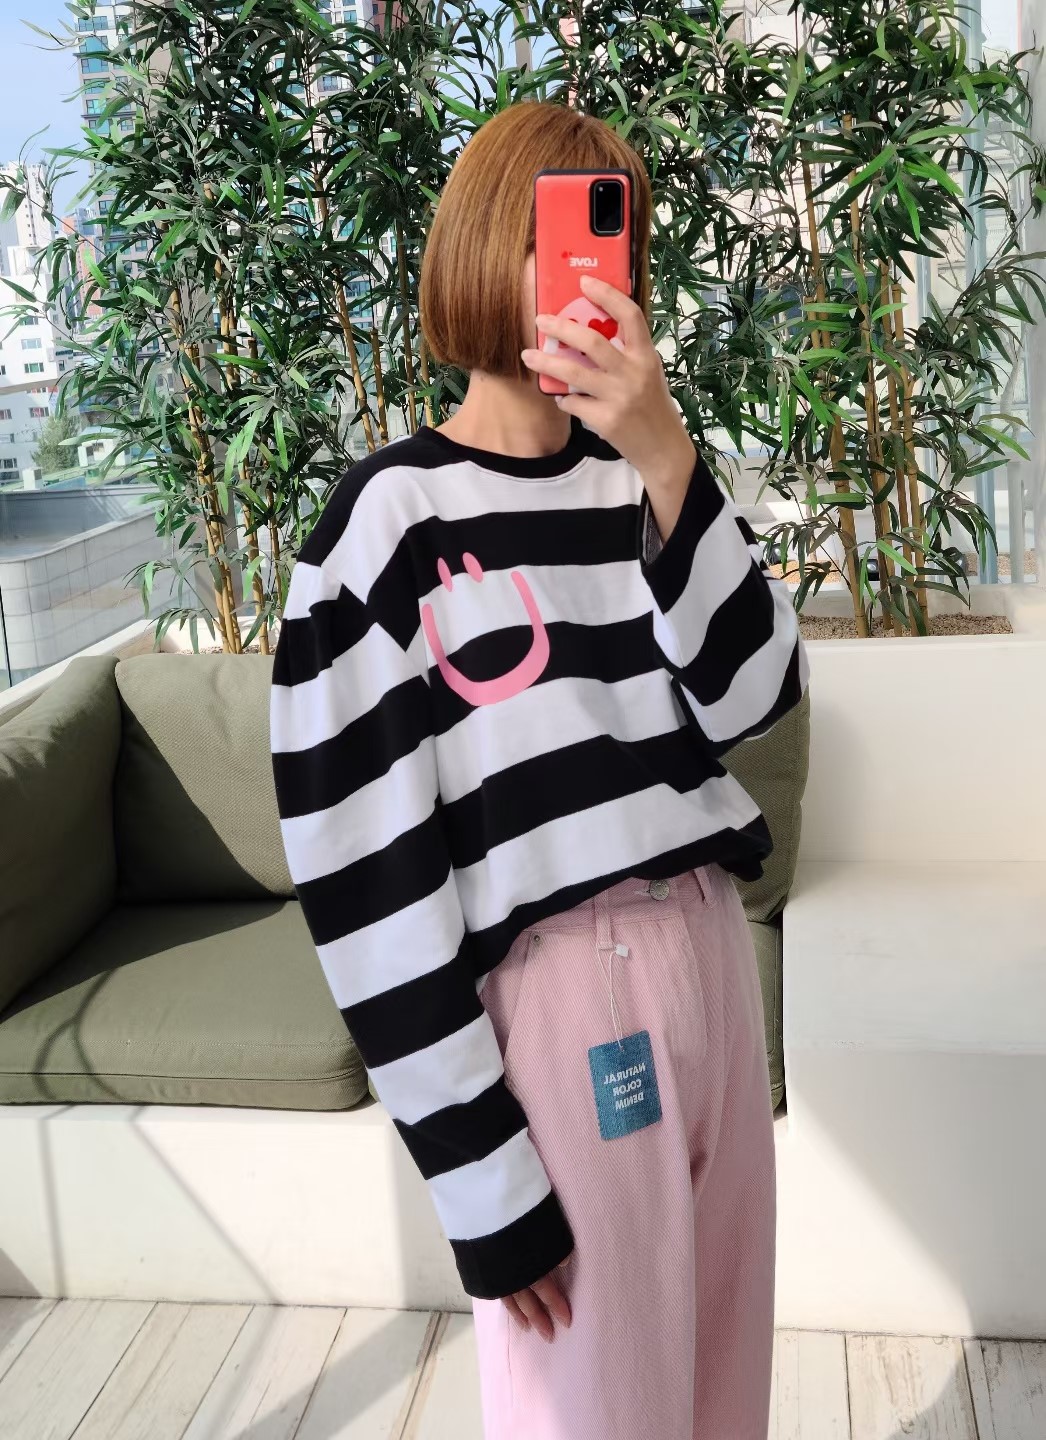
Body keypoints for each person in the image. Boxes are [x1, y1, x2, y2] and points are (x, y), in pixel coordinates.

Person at [269, 100, 808, 1440]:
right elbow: (362, 874)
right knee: (593, 1411)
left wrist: (670, 454)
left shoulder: (643, 483)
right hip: (561, 1007)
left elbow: (756, 701)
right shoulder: (386, 524)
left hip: (711, 953)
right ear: (476, 247)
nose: (587, 272)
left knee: (722, 1394)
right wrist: (477, 1176)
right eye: (553, 233)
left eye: (612, 241)